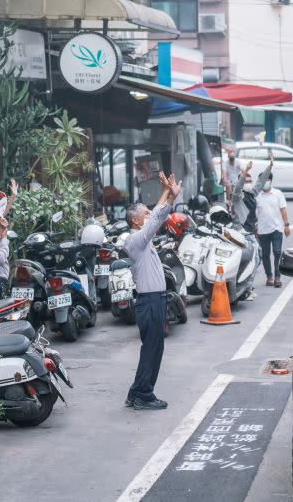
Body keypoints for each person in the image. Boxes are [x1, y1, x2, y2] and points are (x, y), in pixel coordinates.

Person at [123, 171, 181, 411]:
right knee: (152, 350)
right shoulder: (136, 239)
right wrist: (170, 199)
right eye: (144, 214)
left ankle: (136, 392)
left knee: (151, 348)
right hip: (149, 302)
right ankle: (144, 396)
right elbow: (156, 218)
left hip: (153, 301)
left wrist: (166, 192)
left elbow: (154, 213)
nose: (149, 215)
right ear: (136, 221)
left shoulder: (140, 237)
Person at [256, 172, 290, 288]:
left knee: (277, 252)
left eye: (267, 179)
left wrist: (286, 225)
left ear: (270, 180)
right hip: (262, 230)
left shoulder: (278, 194)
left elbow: (283, 210)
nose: (265, 182)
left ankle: (277, 277)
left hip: (276, 229)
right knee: (265, 255)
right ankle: (269, 276)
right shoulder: (257, 196)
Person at [230, 152, 274, 231]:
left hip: (252, 230)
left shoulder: (252, 193)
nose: (249, 183)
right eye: (246, 182)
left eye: (250, 181)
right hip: (240, 230)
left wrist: (270, 166)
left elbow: (260, 181)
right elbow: (238, 186)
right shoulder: (237, 196)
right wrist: (246, 170)